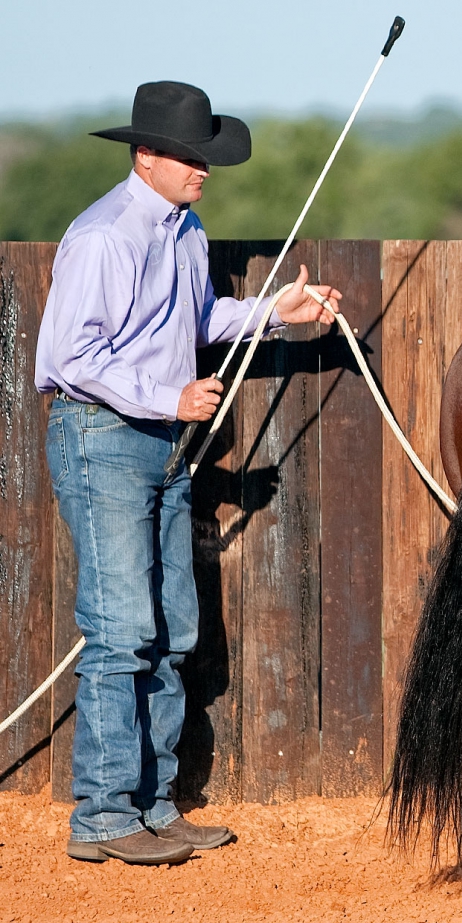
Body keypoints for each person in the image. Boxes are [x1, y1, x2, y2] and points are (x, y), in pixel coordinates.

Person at [34, 81, 341, 866]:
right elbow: (72, 358)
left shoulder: (186, 229)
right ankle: (103, 814)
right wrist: (167, 394)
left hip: (161, 444)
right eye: (191, 155)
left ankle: (154, 804)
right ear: (146, 156)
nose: (205, 168)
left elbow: (195, 320)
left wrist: (277, 311)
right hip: (102, 436)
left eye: (207, 155)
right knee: (122, 630)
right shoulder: (104, 236)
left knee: (172, 627)